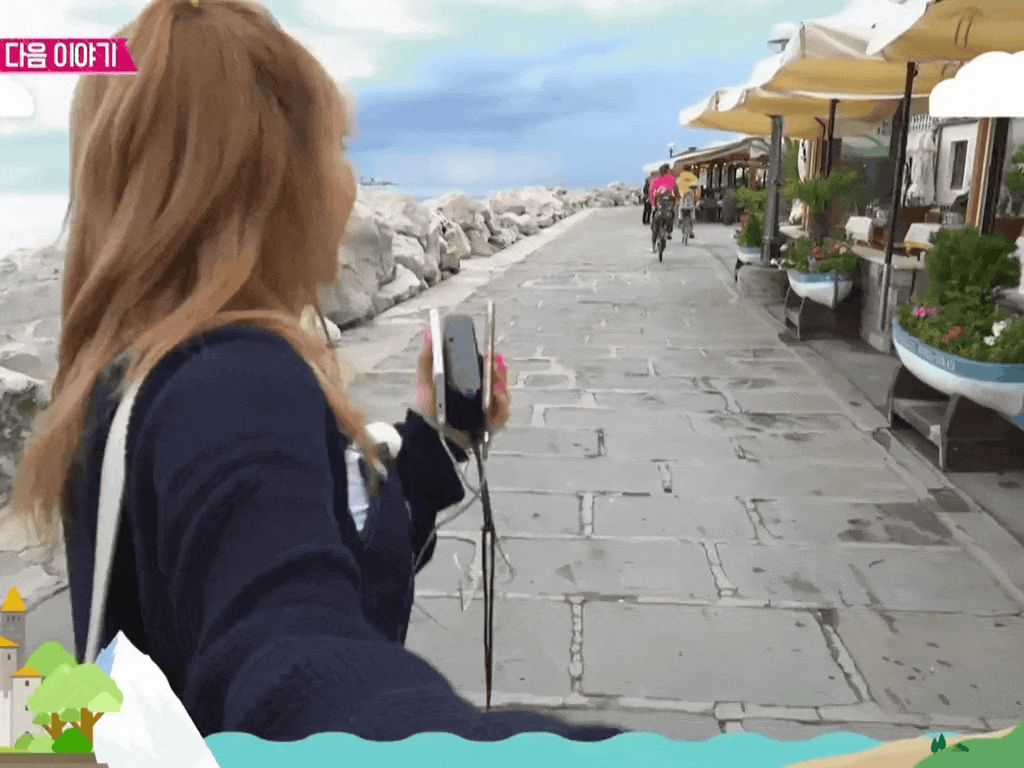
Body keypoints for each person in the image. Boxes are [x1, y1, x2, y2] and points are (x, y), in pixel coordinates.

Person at [9, 0, 621, 745]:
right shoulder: (233, 382)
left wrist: (439, 438)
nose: (351, 181)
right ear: (273, 178)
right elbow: (291, 662)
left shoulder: (129, 377)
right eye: (338, 148)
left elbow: (295, 549)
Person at [648, 164, 679, 240]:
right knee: (671, 214)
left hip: (659, 204)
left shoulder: (655, 181)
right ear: (668, 171)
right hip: (668, 204)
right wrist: (677, 197)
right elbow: (676, 191)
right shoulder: (672, 179)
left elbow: (651, 193)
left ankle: (654, 230)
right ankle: (668, 231)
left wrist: (652, 203)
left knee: (655, 215)